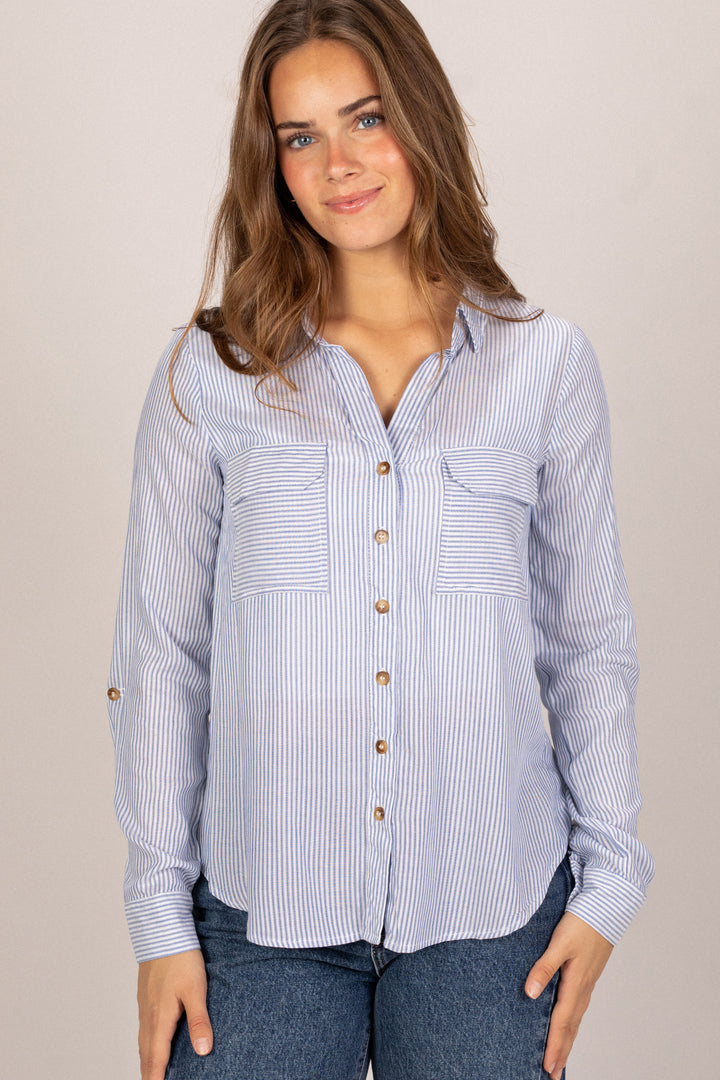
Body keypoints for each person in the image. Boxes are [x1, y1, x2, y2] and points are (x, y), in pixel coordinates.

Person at [106, 1, 654, 1077]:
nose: (338, 165)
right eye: (298, 137)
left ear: (423, 121)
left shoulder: (543, 366)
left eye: (365, 120)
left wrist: (610, 884)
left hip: (491, 912)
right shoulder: (206, 377)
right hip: (261, 926)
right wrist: (158, 917)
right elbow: (161, 659)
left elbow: (589, 643)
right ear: (270, 164)